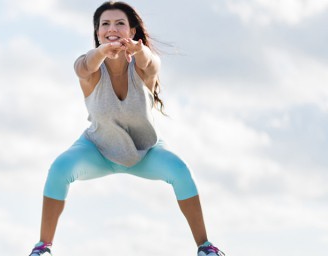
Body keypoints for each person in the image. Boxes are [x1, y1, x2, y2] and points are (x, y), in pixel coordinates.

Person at [27, 1, 225, 256]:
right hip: (97, 149)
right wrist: (103, 52)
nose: (112, 28)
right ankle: (43, 248)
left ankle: (205, 247)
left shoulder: (143, 67)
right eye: (105, 24)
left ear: (132, 32)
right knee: (60, 168)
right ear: (97, 32)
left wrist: (138, 51)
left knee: (180, 171)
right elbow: (83, 66)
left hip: (145, 151)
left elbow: (152, 63)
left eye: (120, 23)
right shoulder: (90, 68)